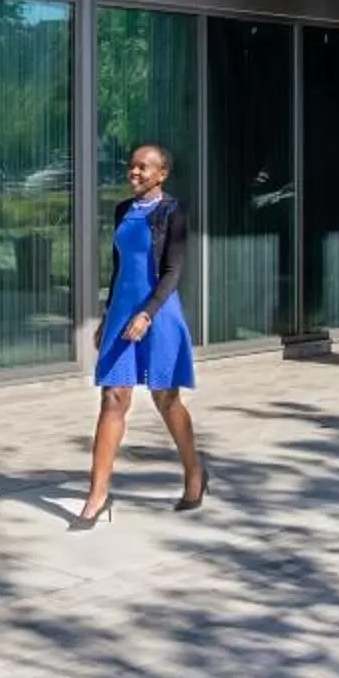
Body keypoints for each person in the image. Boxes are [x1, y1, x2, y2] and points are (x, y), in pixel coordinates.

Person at [77, 143, 205, 527]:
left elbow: (172, 272)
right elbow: (119, 271)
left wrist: (147, 314)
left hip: (159, 314)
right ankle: (97, 494)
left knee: (167, 400)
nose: (134, 172)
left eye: (143, 167)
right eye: (131, 166)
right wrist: (107, 317)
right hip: (122, 312)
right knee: (113, 397)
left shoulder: (172, 211)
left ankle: (194, 472)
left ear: (161, 173)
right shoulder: (122, 211)